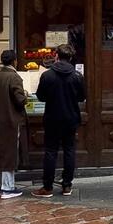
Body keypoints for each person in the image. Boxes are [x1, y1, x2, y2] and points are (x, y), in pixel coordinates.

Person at [34, 43, 85, 197]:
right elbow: (82, 97)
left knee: (50, 151)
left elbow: (41, 96)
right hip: (71, 118)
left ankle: (47, 187)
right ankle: (67, 186)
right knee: (69, 150)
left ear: (56, 56)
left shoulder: (47, 75)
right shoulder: (77, 76)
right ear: (70, 58)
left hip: (52, 117)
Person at [0, 49, 27, 200]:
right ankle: (8, 188)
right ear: (14, 61)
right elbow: (20, 100)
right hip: (11, 120)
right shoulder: (14, 77)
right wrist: (26, 95)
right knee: (9, 154)